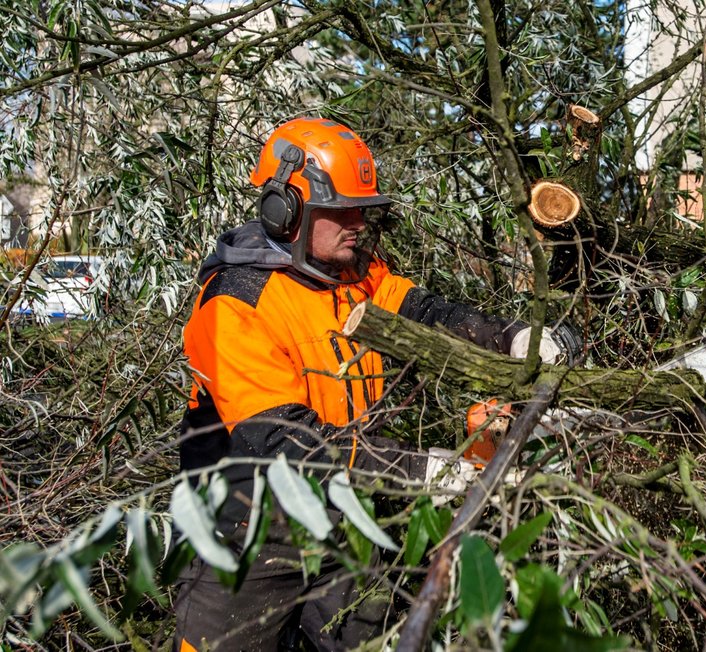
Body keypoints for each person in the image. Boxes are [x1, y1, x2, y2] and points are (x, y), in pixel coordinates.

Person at [173, 117, 579, 651]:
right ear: (285, 208)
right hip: (245, 526)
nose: (358, 225)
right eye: (341, 212)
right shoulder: (235, 303)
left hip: (344, 510)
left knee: (372, 636)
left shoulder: (352, 276)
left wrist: (513, 337)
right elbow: (282, 443)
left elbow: (425, 313)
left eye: (362, 211)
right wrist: (426, 471)